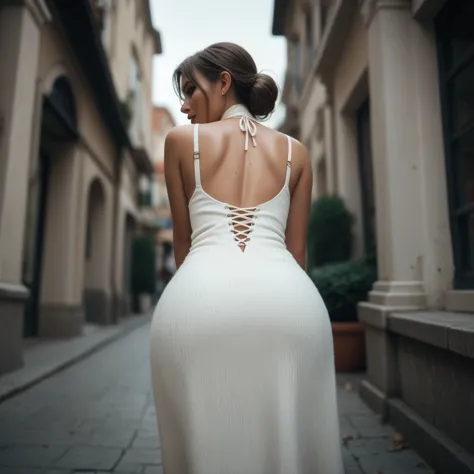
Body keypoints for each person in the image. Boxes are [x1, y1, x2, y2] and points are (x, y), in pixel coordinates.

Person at [149, 42, 344, 474]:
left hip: (198, 303)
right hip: (291, 306)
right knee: (287, 439)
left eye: (189, 91)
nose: (183, 107)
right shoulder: (297, 152)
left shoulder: (182, 143)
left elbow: (183, 245)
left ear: (223, 84)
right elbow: (297, 253)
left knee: (204, 443)